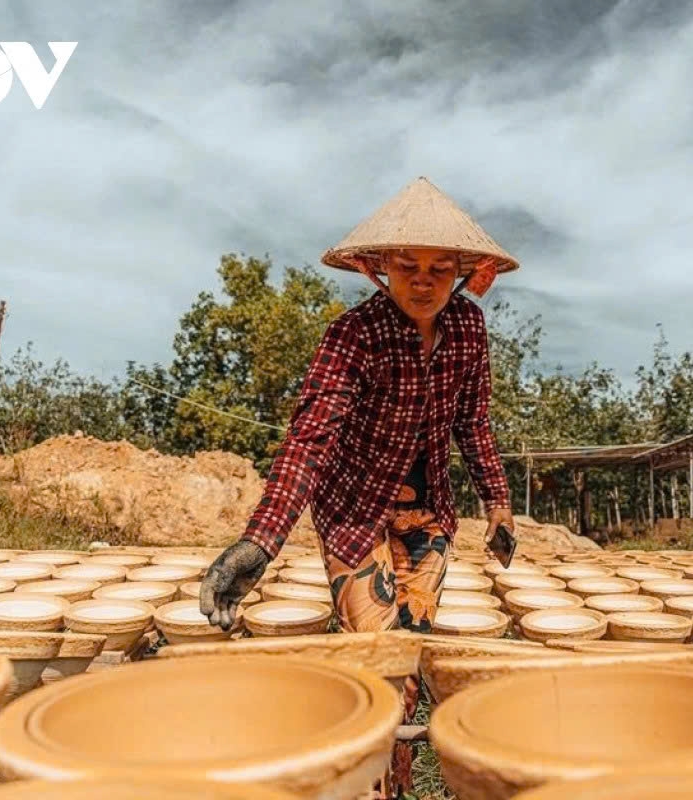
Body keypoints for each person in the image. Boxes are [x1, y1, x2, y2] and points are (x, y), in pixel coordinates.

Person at [199, 176, 519, 797]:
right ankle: (366, 788)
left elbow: (473, 421)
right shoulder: (353, 336)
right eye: (407, 266)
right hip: (354, 511)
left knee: (408, 656)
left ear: (461, 273)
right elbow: (308, 441)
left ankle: (392, 786)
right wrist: (259, 544)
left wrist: (499, 506)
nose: (423, 281)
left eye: (439, 268)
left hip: (428, 516)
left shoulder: (469, 331)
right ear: (379, 268)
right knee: (375, 656)